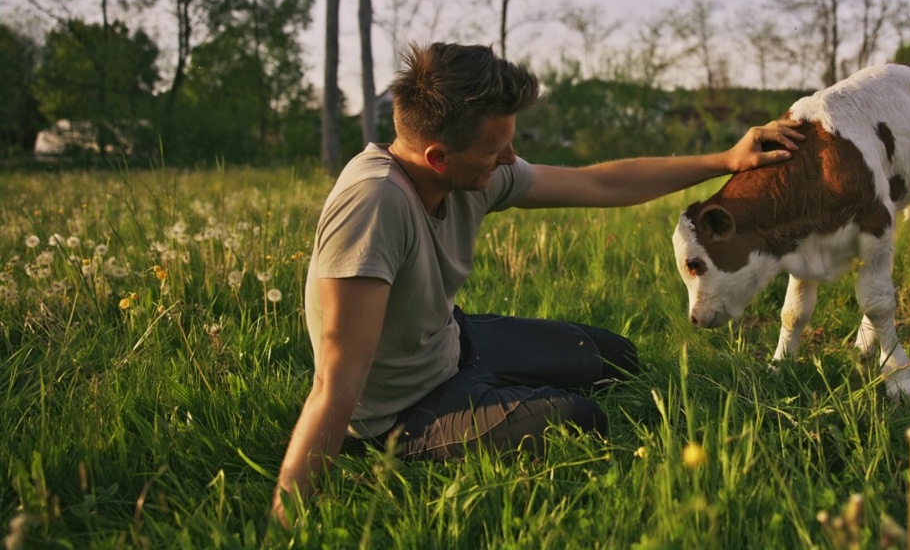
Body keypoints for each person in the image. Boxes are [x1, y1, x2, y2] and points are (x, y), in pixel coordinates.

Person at [272, 42, 803, 523]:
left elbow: (597, 182)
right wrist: (287, 519)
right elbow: (337, 382)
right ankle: (464, 413)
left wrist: (726, 160)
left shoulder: (465, 172)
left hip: (447, 342)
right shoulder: (373, 206)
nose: (508, 161)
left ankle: (490, 387)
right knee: (579, 420)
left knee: (616, 358)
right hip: (396, 410)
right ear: (438, 156)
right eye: (494, 151)